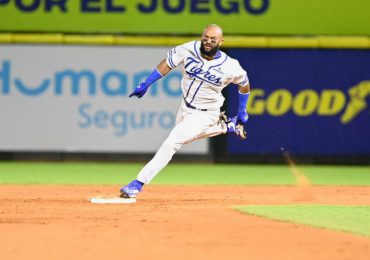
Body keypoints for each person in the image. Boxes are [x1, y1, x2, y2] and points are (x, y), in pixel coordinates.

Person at [120, 24, 251, 198]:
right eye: (206, 37)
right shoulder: (189, 49)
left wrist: (242, 110)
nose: (208, 41)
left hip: (207, 112)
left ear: (221, 41)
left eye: (213, 39)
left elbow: (244, 84)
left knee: (171, 142)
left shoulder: (230, 66)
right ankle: (227, 127)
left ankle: (138, 183)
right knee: (183, 140)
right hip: (185, 106)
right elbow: (167, 63)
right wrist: (147, 83)